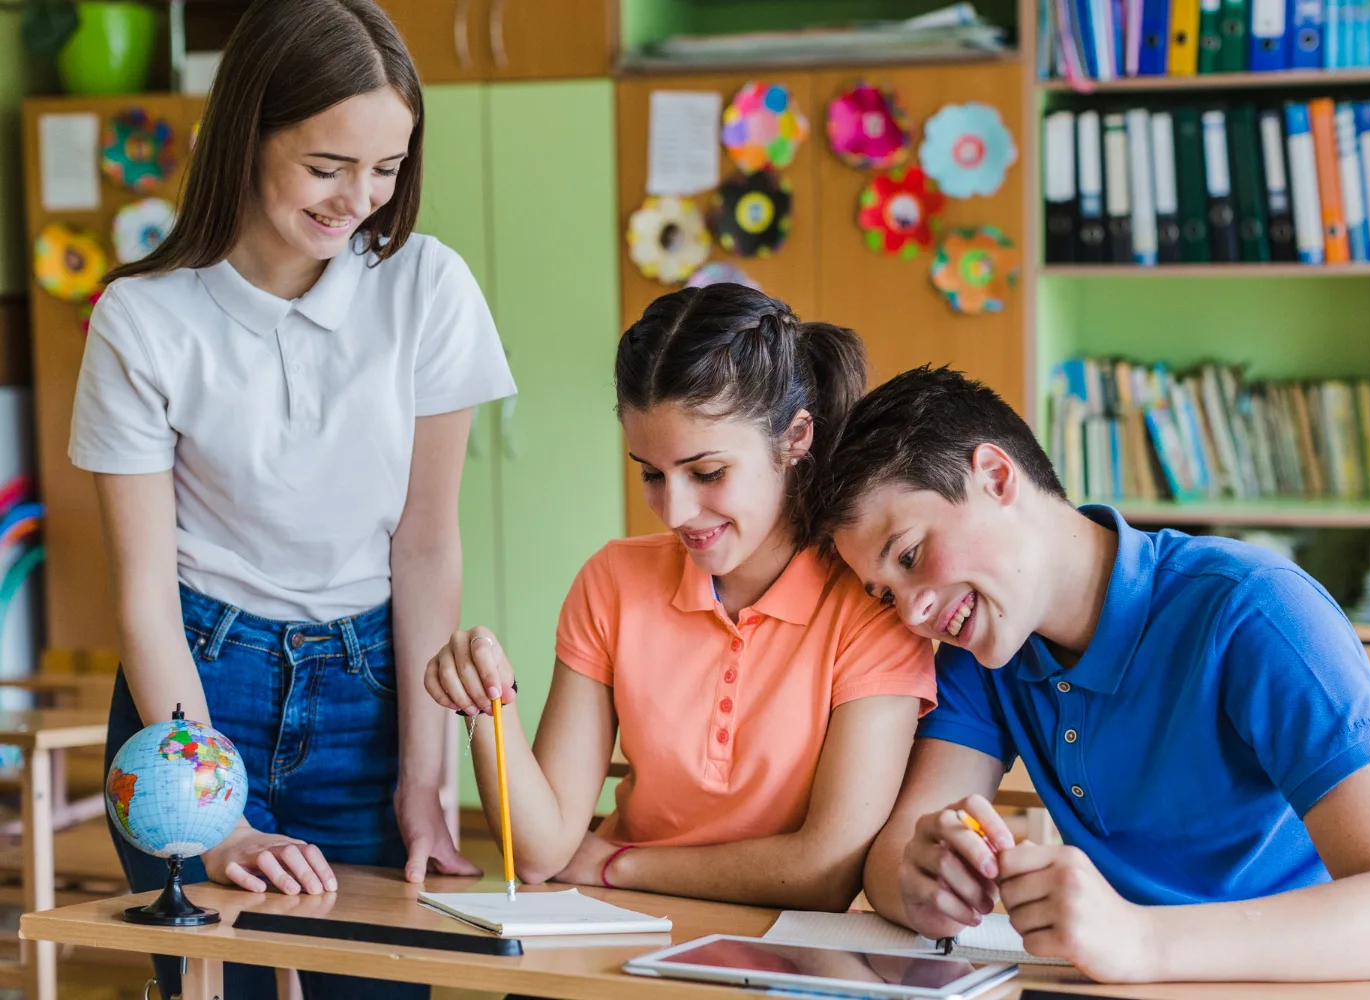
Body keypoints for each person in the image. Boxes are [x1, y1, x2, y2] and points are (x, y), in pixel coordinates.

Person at [71, 1, 515, 996]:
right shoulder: (142, 322)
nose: (358, 197)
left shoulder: (427, 289)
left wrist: (423, 777)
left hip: (371, 686)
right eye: (327, 165)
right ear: (247, 133)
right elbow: (143, 592)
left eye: (388, 168)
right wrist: (214, 816)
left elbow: (427, 547)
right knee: (216, 979)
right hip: (195, 686)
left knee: (378, 980)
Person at [811, 365, 1370, 983]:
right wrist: (920, 879)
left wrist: (1139, 939)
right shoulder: (984, 649)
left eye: (912, 554)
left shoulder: (1252, 610)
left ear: (996, 476)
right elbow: (896, 847)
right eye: (885, 594)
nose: (916, 612)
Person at [425, 284, 934, 909]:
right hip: (616, 932)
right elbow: (541, 852)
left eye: (707, 473)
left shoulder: (870, 604)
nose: (677, 510)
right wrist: (487, 705)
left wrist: (620, 866)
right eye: (651, 474)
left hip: (775, 949)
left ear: (796, 437)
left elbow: (823, 873)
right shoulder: (613, 581)